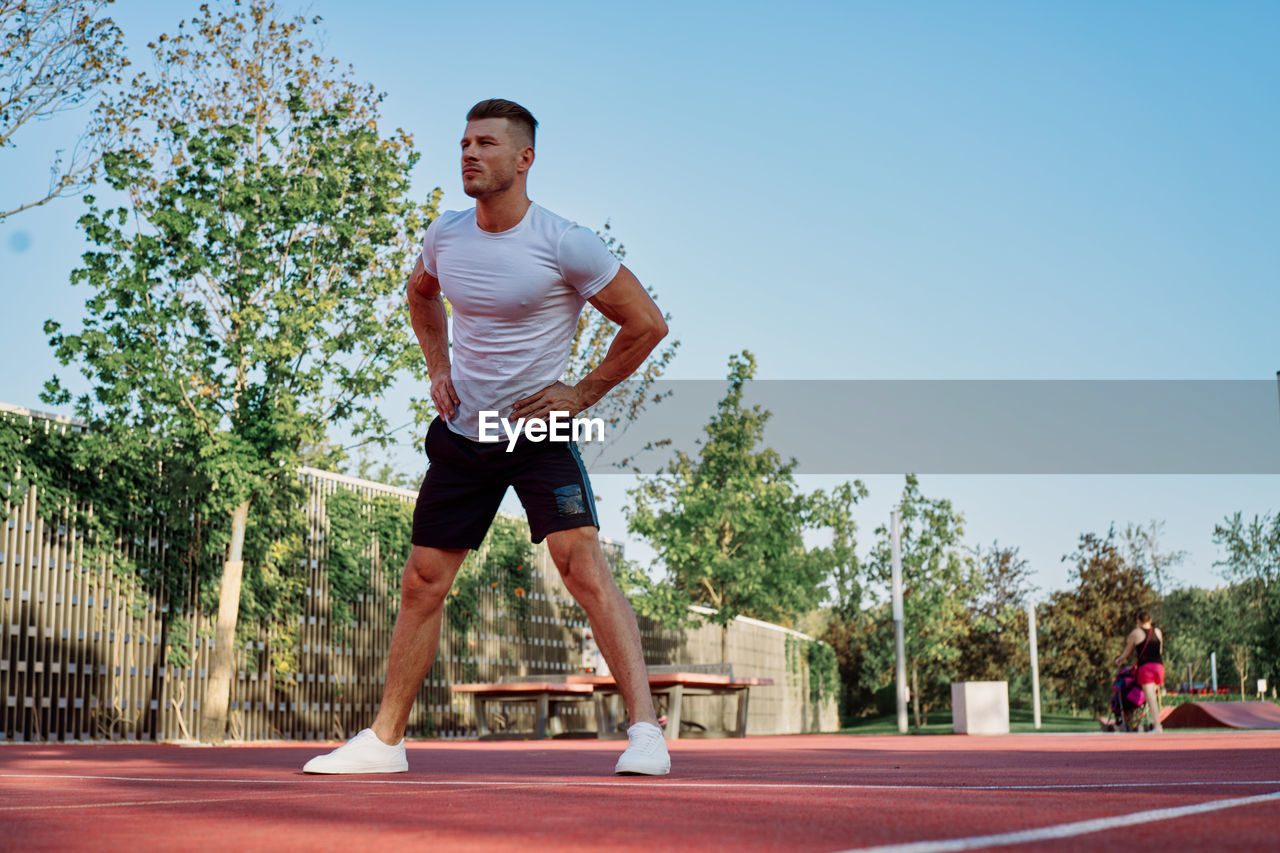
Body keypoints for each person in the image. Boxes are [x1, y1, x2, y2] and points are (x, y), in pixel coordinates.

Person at [303, 99, 670, 776]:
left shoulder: (567, 242)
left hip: (536, 430)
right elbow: (420, 296)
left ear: (524, 159)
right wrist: (438, 366)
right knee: (423, 579)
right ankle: (385, 742)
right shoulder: (445, 235)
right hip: (465, 433)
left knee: (581, 566)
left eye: (487, 143)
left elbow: (645, 324)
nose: (470, 153)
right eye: (465, 142)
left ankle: (646, 731)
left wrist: (582, 392)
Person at [1114, 611, 1164, 733]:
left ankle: (1158, 726)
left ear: (1138, 621)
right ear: (1150, 621)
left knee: (1150, 698)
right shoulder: (1157, 632)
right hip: (1159, 667)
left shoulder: (1136, 633)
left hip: (1146, 668)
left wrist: (1119, 660)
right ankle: (1156, 724)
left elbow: (1127, 651)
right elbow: (1160, 650)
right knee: (1154, 697)